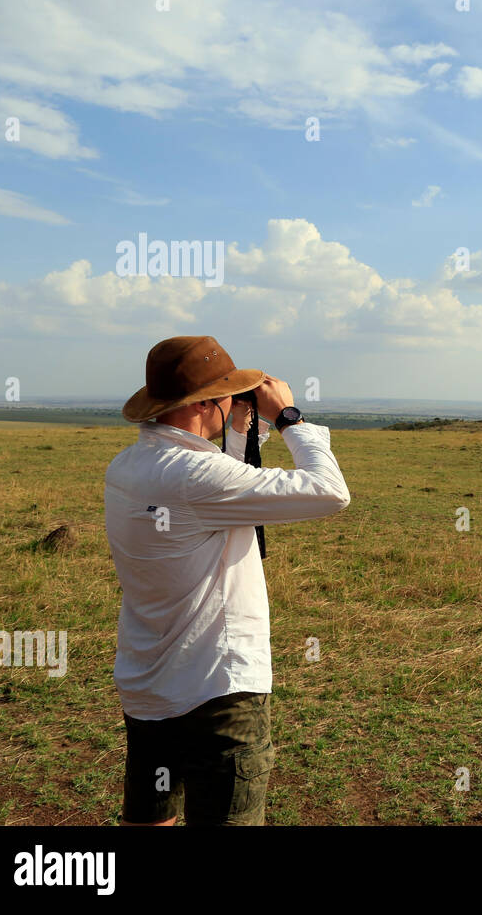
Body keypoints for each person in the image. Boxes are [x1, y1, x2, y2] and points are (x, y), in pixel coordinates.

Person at [104, 335, 350, 825]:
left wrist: (237, 433)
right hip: (218, 689)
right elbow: (329, 492)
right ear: (206, 403)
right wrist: (289, 419)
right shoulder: (197, 476)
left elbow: (217, 501)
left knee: (152, 816)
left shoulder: (128, 467)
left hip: (150, 683)